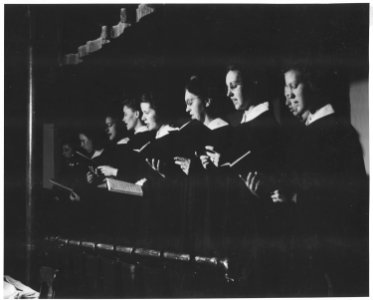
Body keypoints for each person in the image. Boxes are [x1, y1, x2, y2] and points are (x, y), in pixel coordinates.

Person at [279, 64, 368, 296]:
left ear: (312, 86)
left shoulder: (335, 131)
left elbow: (347, 195)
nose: (288, 94)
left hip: (334, 253)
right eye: (285, 88)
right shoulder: (313, 131)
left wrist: (296, 197)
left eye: (294, 85)